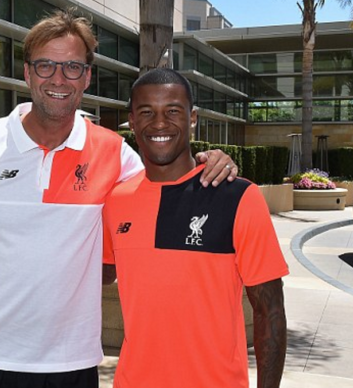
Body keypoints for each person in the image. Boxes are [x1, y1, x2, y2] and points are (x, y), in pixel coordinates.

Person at [0, 9, 237, 388]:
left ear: (87, 77)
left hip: (69, 366)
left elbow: (169, 184)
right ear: (27, 73)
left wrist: (210, 160)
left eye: (72, 67)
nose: (58, 79)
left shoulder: (116, 155)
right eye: (45, 66)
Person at [102, 68, 289, 388]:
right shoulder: (115, 201)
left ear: (192, 118)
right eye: (147, 112)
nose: (159, 123)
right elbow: (96, 277)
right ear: (132, 121)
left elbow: (269, 309)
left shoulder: (238, 196)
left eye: (173, 111)